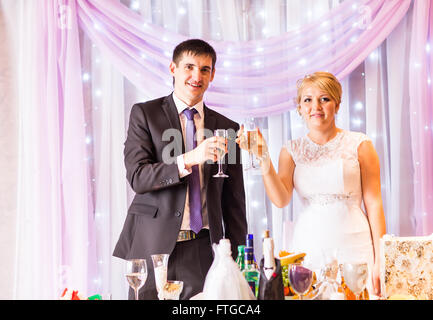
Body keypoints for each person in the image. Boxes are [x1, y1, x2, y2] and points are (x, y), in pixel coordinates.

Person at [113, 39, 247, 300]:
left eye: (205, 69)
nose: (197, 76)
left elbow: (234, 203)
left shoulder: (228, 128)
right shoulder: (145, 114)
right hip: (153, 248)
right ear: (173, 69)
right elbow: (138, 177)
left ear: (212, 75)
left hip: (203, 249)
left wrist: (238, 261)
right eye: (189, 67)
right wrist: (189, 159)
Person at [236, 71, 386, 297]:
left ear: (337, 105)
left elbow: (374, 205)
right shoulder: (291, 150)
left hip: (355, 244)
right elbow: (280, 199)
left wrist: (381, 259)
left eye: (324, 99)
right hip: (309, 245)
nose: (316, 106)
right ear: (299, 108)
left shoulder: (360, 144)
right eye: (308, 100)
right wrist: (263, 155)